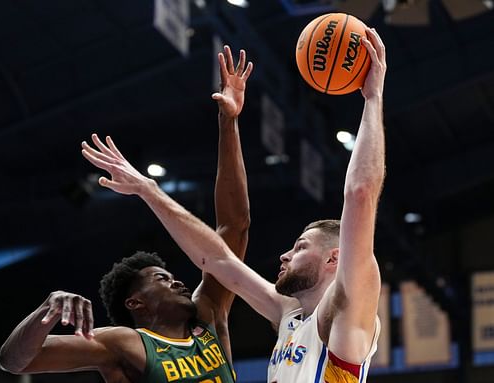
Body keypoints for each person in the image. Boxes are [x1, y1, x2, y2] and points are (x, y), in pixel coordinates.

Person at [78, 28, 386, 383]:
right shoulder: (288, 312)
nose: (284, 255)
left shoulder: (347, 307)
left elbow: (361, 193)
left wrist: (373, 97)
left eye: (301, 247)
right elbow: (217, 259)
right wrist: (149, 191)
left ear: (335, 258)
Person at [0, 45, 253, 383]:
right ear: (135, 304)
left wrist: (228, 122)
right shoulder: (123, 344)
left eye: (169, 276)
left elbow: (234, 227)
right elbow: (14, 361)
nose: (177, 280)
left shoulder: (208, 317)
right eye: (160, 279)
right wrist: (48, 308)